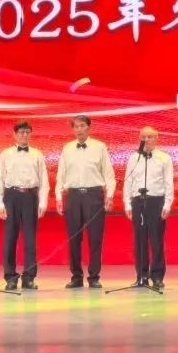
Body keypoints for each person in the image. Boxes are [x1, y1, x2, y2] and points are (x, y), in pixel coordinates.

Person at [55, 115, 116, 289]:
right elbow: (61, 175)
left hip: (94, 195)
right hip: (73, 196)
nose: (79, 129)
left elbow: (109, 174)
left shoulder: (99, 147)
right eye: (76, 126)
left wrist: (110, 195)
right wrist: (59, 197)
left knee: (95, 238)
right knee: (74, 238)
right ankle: (76, 276)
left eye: (82, 126)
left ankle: (94, 276)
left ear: (89, 128)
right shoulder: (67, 148)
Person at [0, 120, 49, 290]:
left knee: (30, 239)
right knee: (10, 238)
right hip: (11, 196)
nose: (24, 135)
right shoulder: (6, 154)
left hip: (30, 197)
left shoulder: (37, 154)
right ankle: (10, 277)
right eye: (21, 132)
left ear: (30, 134)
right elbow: (0, 180)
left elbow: (44, 180)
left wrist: (43, 201)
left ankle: (29, 278)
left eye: (27, 132)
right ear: (15, 134)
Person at [123, 126, 174, 289]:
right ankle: (141, 276)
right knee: (139, 241)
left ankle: (157, 276)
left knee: (156, 240)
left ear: (157, 138)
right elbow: (128, 181)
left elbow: (168, 182)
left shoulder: (164, 158)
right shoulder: (134, 158)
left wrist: (167, 203)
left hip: (156, 201)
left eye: (150, 137)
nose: (146, 140)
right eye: (143, 137)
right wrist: (127, 202)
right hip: (138, 201)